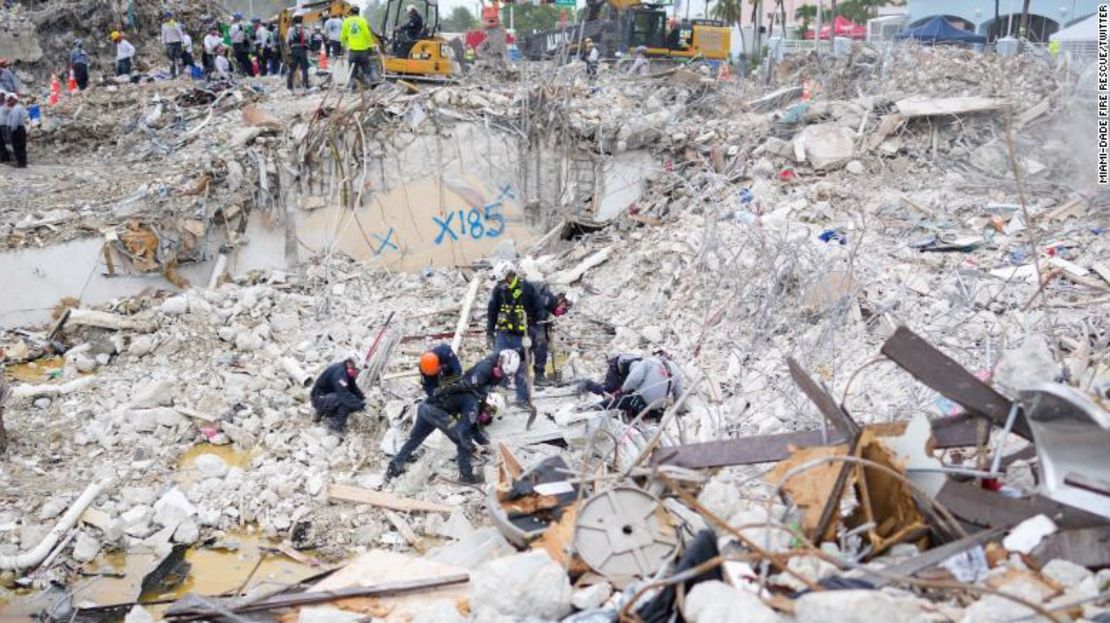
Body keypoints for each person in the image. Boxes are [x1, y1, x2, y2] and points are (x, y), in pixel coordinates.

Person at [386, 350, 519, 484]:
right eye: (490, 412)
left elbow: (473, 426)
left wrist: (484, 443)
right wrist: (472, 447)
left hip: (425, 406)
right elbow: (463, 429)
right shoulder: (473, 402)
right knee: (462, 440)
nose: (487, 415)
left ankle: (394, 466)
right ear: (488, 403)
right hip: (436, 413)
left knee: (415, 439)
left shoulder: (474, 397)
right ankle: (466, 476)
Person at [486, 261, 541, 406]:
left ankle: (522, 399)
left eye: (503, 281)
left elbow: (538, 309)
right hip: (503, 334)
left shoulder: (527, 288)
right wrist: (489, 332)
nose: (501, 284)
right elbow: (492, 312)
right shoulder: (498, 291)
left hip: (521, 336)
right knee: (498, 363)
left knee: (521, 366)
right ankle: (498, 398)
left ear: (511, 275)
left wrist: (537, 330)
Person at [610, 353, 683, 418]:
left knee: (618, 400)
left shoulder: (649, 361)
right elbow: (679, 393)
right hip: (656, 406)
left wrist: (622, 390)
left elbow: (634, 379)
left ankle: (600, 408)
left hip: (642, 402)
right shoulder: (676, 370)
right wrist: (680, 410)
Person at [310, 351, 366, 435]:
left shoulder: (345, 371)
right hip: (319, 398)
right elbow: (344, 395)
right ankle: (334, 426)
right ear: (350, 363)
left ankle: (323, 412)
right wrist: (360, 405)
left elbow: (353, 387)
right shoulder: (339, 373)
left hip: (327, 395)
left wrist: (363, 399)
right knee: (346, 401)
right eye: (357, 370)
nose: (357, 372)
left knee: (351, 398)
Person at [529, 287, 569, 385]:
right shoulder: (548, 299)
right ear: (561, 301)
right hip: (533, 324)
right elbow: (540, 314)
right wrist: (542, 328)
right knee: (541, 345)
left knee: (538, 346)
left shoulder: (549, 300)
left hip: (534, 323)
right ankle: (538, 376)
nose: (561, 312)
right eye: (563, 308)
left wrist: (549, 320)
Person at [341, 6, 379, 91]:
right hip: (363, 51)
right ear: (358, 12)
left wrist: (343, 45)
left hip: (352, 51)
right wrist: (371, 47)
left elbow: (343, 36)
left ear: (350, 12)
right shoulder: (362, 20)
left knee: (352, 71)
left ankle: (352, 88)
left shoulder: (346, 21)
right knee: (366, 69)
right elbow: (367, 35)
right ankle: (371, 85)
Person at [285, 15, 311, 92]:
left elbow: (287, 41)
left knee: (292, 68)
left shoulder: (291, 29)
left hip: (294, 50)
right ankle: (306, 85)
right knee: (304, 68)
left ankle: (289, 86)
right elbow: (309, 40)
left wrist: (289, 49)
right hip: (302, 50)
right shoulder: (305, 29)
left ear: (294, 21)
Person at [6, 93, 28, 168]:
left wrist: (12, 130)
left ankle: (21, 163)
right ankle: (22, 162)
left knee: (18, 146)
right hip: (21, 128)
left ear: (15, 100)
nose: (9, 102)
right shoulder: (19, 107)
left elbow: (15, 121)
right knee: (21, 146)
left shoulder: (16, 108)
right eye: (8, 100)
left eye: (11, 100)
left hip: (17, 129)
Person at [161, 10, 184, 78]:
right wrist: (163, 43)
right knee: (171, 60)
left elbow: (180, 34)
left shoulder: (175, 24)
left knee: (178, 58)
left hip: (177, 43)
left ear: (171, 17)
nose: (166, 18)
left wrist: (182, 42)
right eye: (165, 17)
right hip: (169, 44)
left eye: (167, 17)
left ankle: (180, 73)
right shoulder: (164, 26)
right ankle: (172, 74)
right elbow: (163, 35)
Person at [0, 93, 10, 163]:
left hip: (5, 126)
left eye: (2, 96)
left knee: (3, 142)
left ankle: (5, 157)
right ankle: (4, 157)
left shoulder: (7, 105)